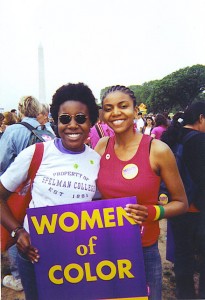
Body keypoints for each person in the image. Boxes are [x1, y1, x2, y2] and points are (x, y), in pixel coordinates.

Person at [0, 82, 100, 300]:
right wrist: (18, 232)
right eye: (65, 118)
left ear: (91, 121)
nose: (72, 125)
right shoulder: (36, 153)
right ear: (56, 120)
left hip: (79, 257)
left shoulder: (97, 161)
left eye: (80, 118)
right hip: (35, 256)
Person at [94, 85, 188, 300]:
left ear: (136, 111)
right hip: (107, 248)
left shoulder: (157, 150)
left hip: (144, 249)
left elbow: (181, 202)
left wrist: (153, 212)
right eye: (108, 108)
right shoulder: (100, 146)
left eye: (123, 106)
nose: (115, 113)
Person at [161, 102, 205, 299]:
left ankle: (185, 294)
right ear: (201, 118)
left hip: (177, 206)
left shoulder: (173, 137)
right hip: (196, 209)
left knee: (183, 255)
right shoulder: (198, 140)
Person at [0, 96, 42, 292]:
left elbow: (2, 162)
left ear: (21, 110)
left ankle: (18, 277)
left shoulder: (14, 131)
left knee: (16, 229)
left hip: (17, 191)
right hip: (41, 191)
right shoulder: (48, 129)